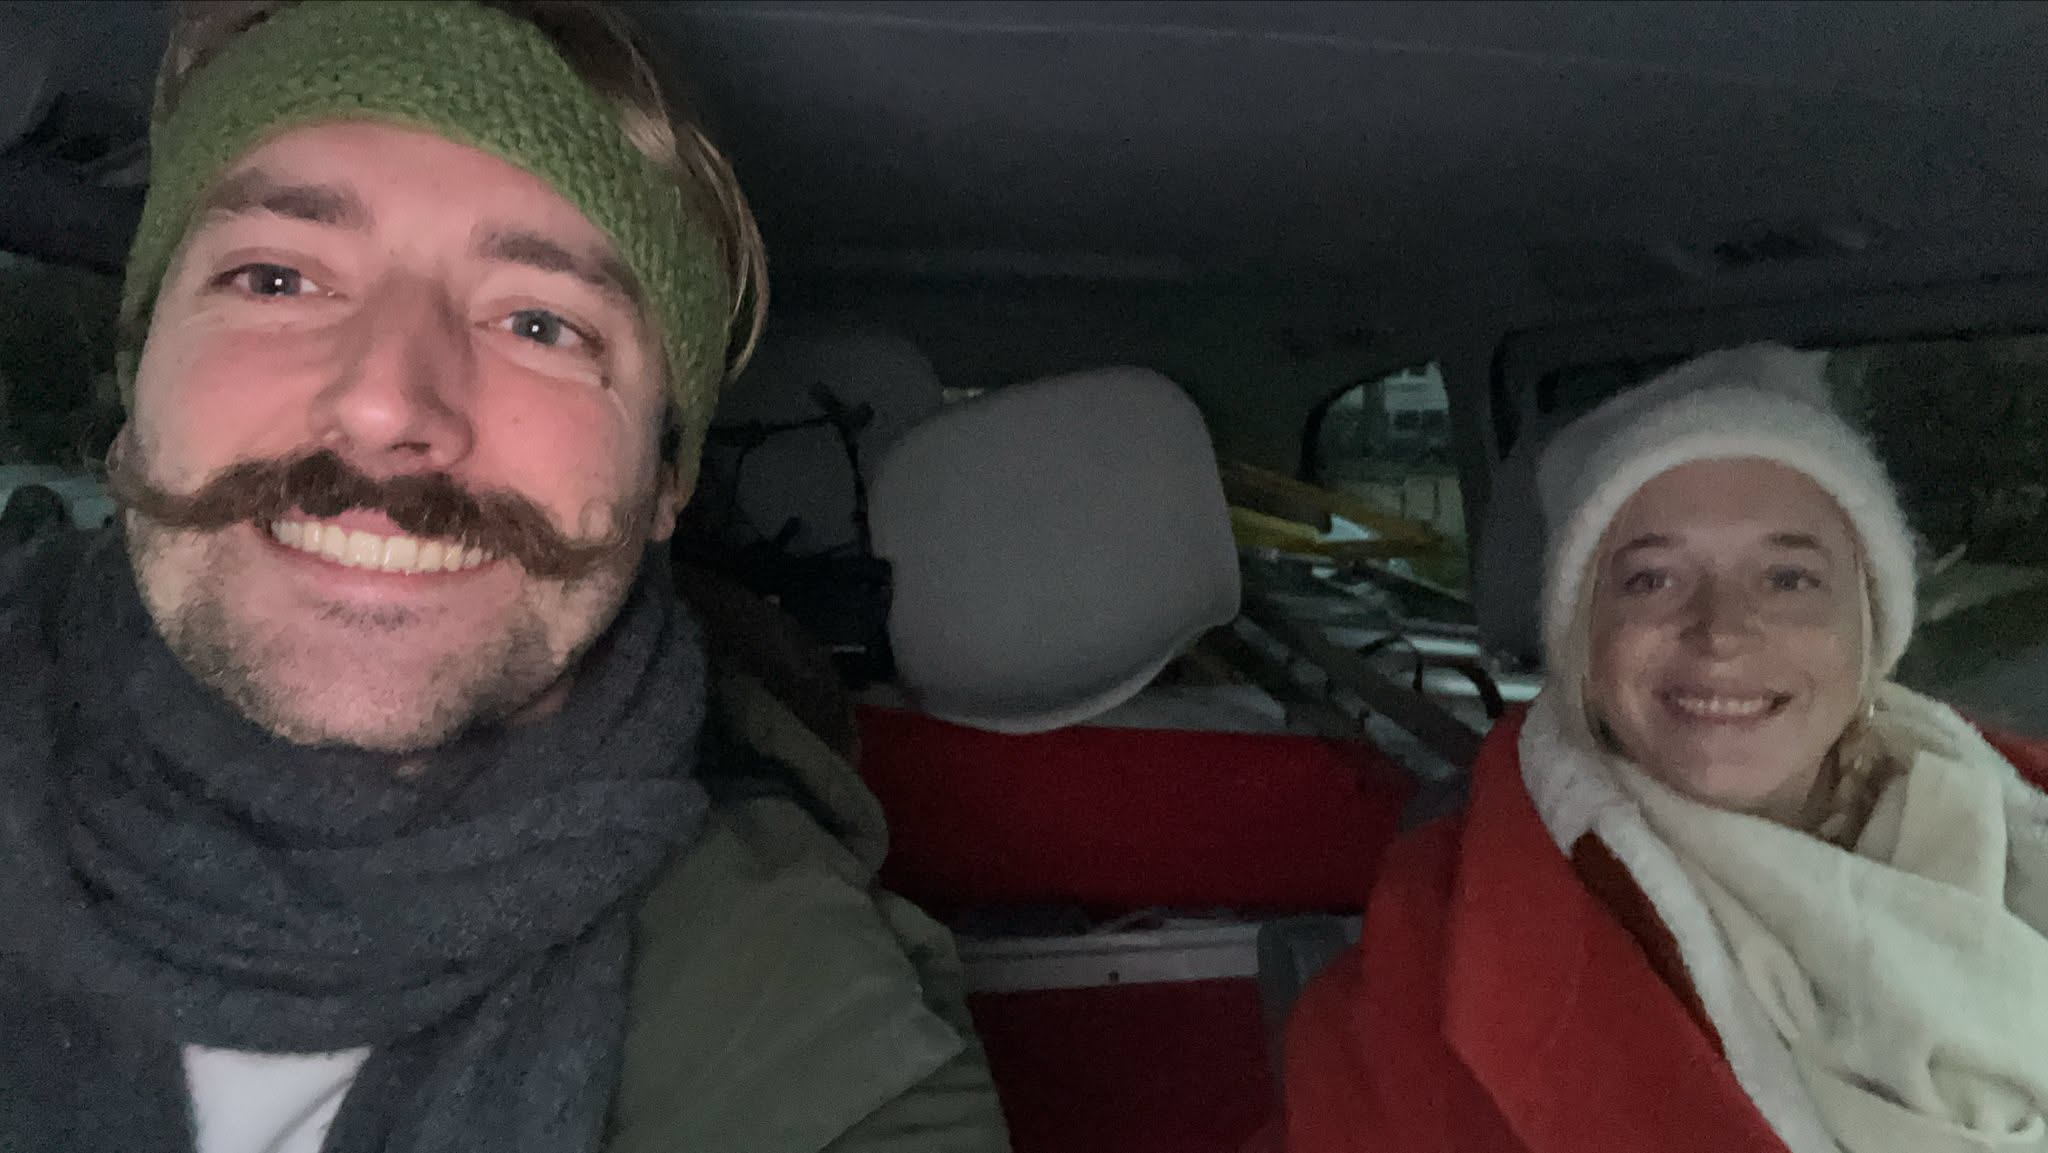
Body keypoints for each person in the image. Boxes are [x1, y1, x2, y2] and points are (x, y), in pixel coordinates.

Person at [0, 3, 1008, 1151]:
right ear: (139, 374)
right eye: (275, 279)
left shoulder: (816, 1040)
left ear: (662, 482)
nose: (385, 404)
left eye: (539, 324)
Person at [1278, 344, 2048, 1153]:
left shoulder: (2012, 818)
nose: (1721, 632)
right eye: (1652, 579)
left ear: (1870, 624)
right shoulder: (1435, 946)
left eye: (1788, 577)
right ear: (1585, 638)